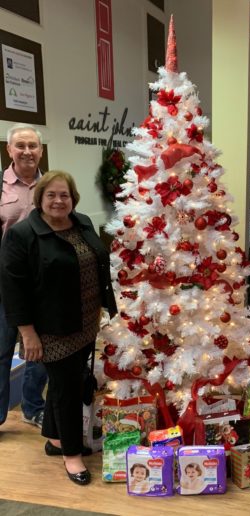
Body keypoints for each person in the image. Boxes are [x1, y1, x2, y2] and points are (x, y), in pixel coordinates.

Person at [0, 171, 117, 485]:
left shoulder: (82, 223)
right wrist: (27, 334)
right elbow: (13, 289)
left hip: (84, 322)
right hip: (51, 329)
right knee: (67, 391)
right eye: (50, 195)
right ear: (39, 199)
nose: (58, 201)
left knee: (64, 384)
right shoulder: (23, 234)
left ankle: (55, 439)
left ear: (73, 198)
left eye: (64, 195)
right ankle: (72, 455)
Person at [0, 123, 48, 430]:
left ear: (41, 151)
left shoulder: (51, 186)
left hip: (43, 285)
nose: (27, 151)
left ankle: (32, 407)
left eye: (33, 146)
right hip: (4, 283)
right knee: (1, 351)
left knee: (39, 351)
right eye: (21, 145)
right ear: (9, 149)